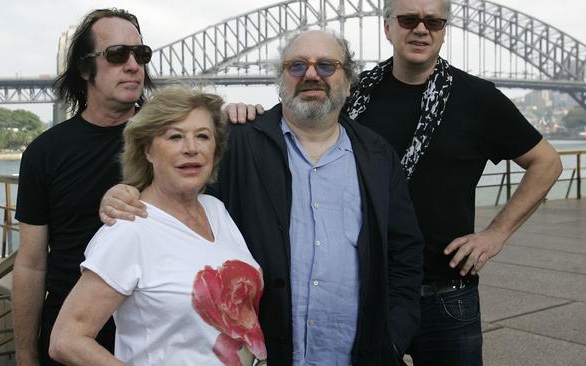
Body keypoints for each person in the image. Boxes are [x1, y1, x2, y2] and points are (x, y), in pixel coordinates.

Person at [227, 0, 563, 364]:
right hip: (369, 295)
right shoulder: (356, 93)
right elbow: (306, 113)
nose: (421, 29)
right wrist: (247, 116)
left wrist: (495, 233)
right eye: (408, 19)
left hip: (445, 294)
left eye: (433, 21)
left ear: (444, 30)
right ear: (387, 27)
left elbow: (546, 162)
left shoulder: (478, 98)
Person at [100, 29, 423, 365]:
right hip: (262, 356)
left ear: (349, 78)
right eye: (297, 66)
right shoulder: (238, 144)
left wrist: (393, 339)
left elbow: (405, 252)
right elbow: (176, 198)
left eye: (327, 66)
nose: (312, 75)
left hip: (357, 356)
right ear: (280, 78)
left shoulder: (377, 156)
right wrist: (124, 193)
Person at [48, 87, 266, 366]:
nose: (191, 147)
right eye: (175, 136)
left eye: (202, 136)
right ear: (148, 150)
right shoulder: (130, 228)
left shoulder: (216, 211)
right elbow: (66, 339)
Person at [12, 8, 154, 366]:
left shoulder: (170, 139)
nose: (134, 65)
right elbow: (30, 264)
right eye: (117, 55)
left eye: (141, 55)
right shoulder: (44, 152)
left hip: (152, 338)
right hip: (67, 341)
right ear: (84, 68)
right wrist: (25, 354)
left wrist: (243, 115)